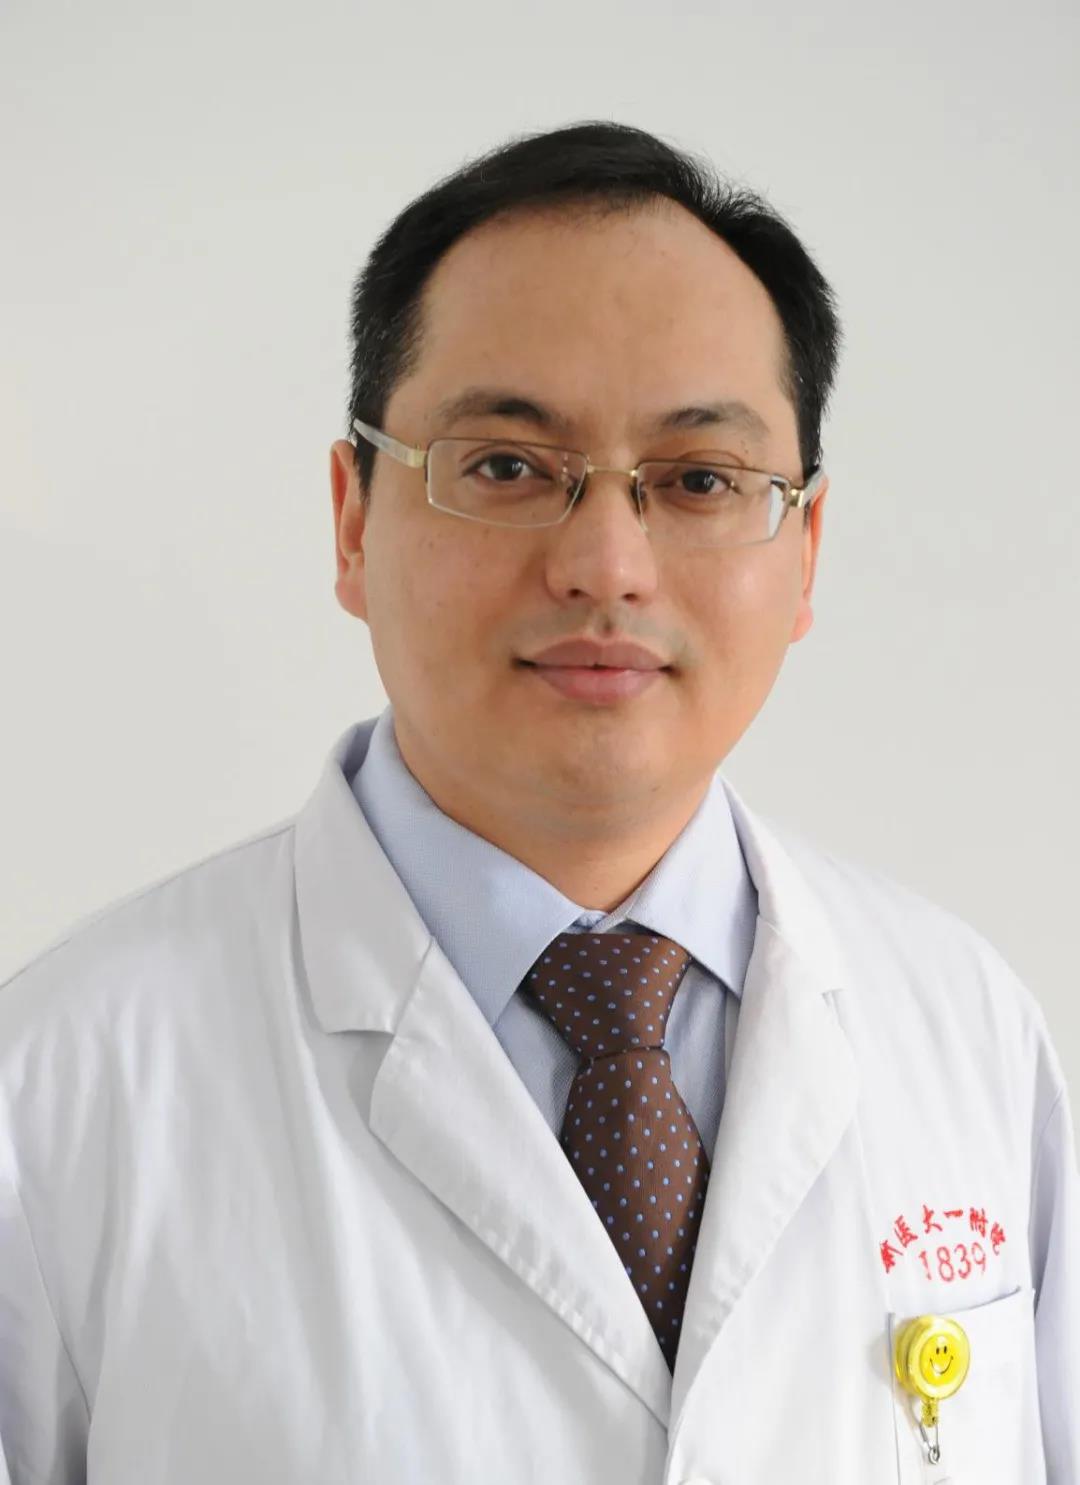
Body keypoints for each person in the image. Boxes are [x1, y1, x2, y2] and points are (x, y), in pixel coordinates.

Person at [1, 119, 1075, 1485]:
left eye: (700, 481)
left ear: (805, 549)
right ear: (352, 518)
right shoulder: (60, 1087)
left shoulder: (967, 1032)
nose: (606, 563)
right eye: (506, 466)